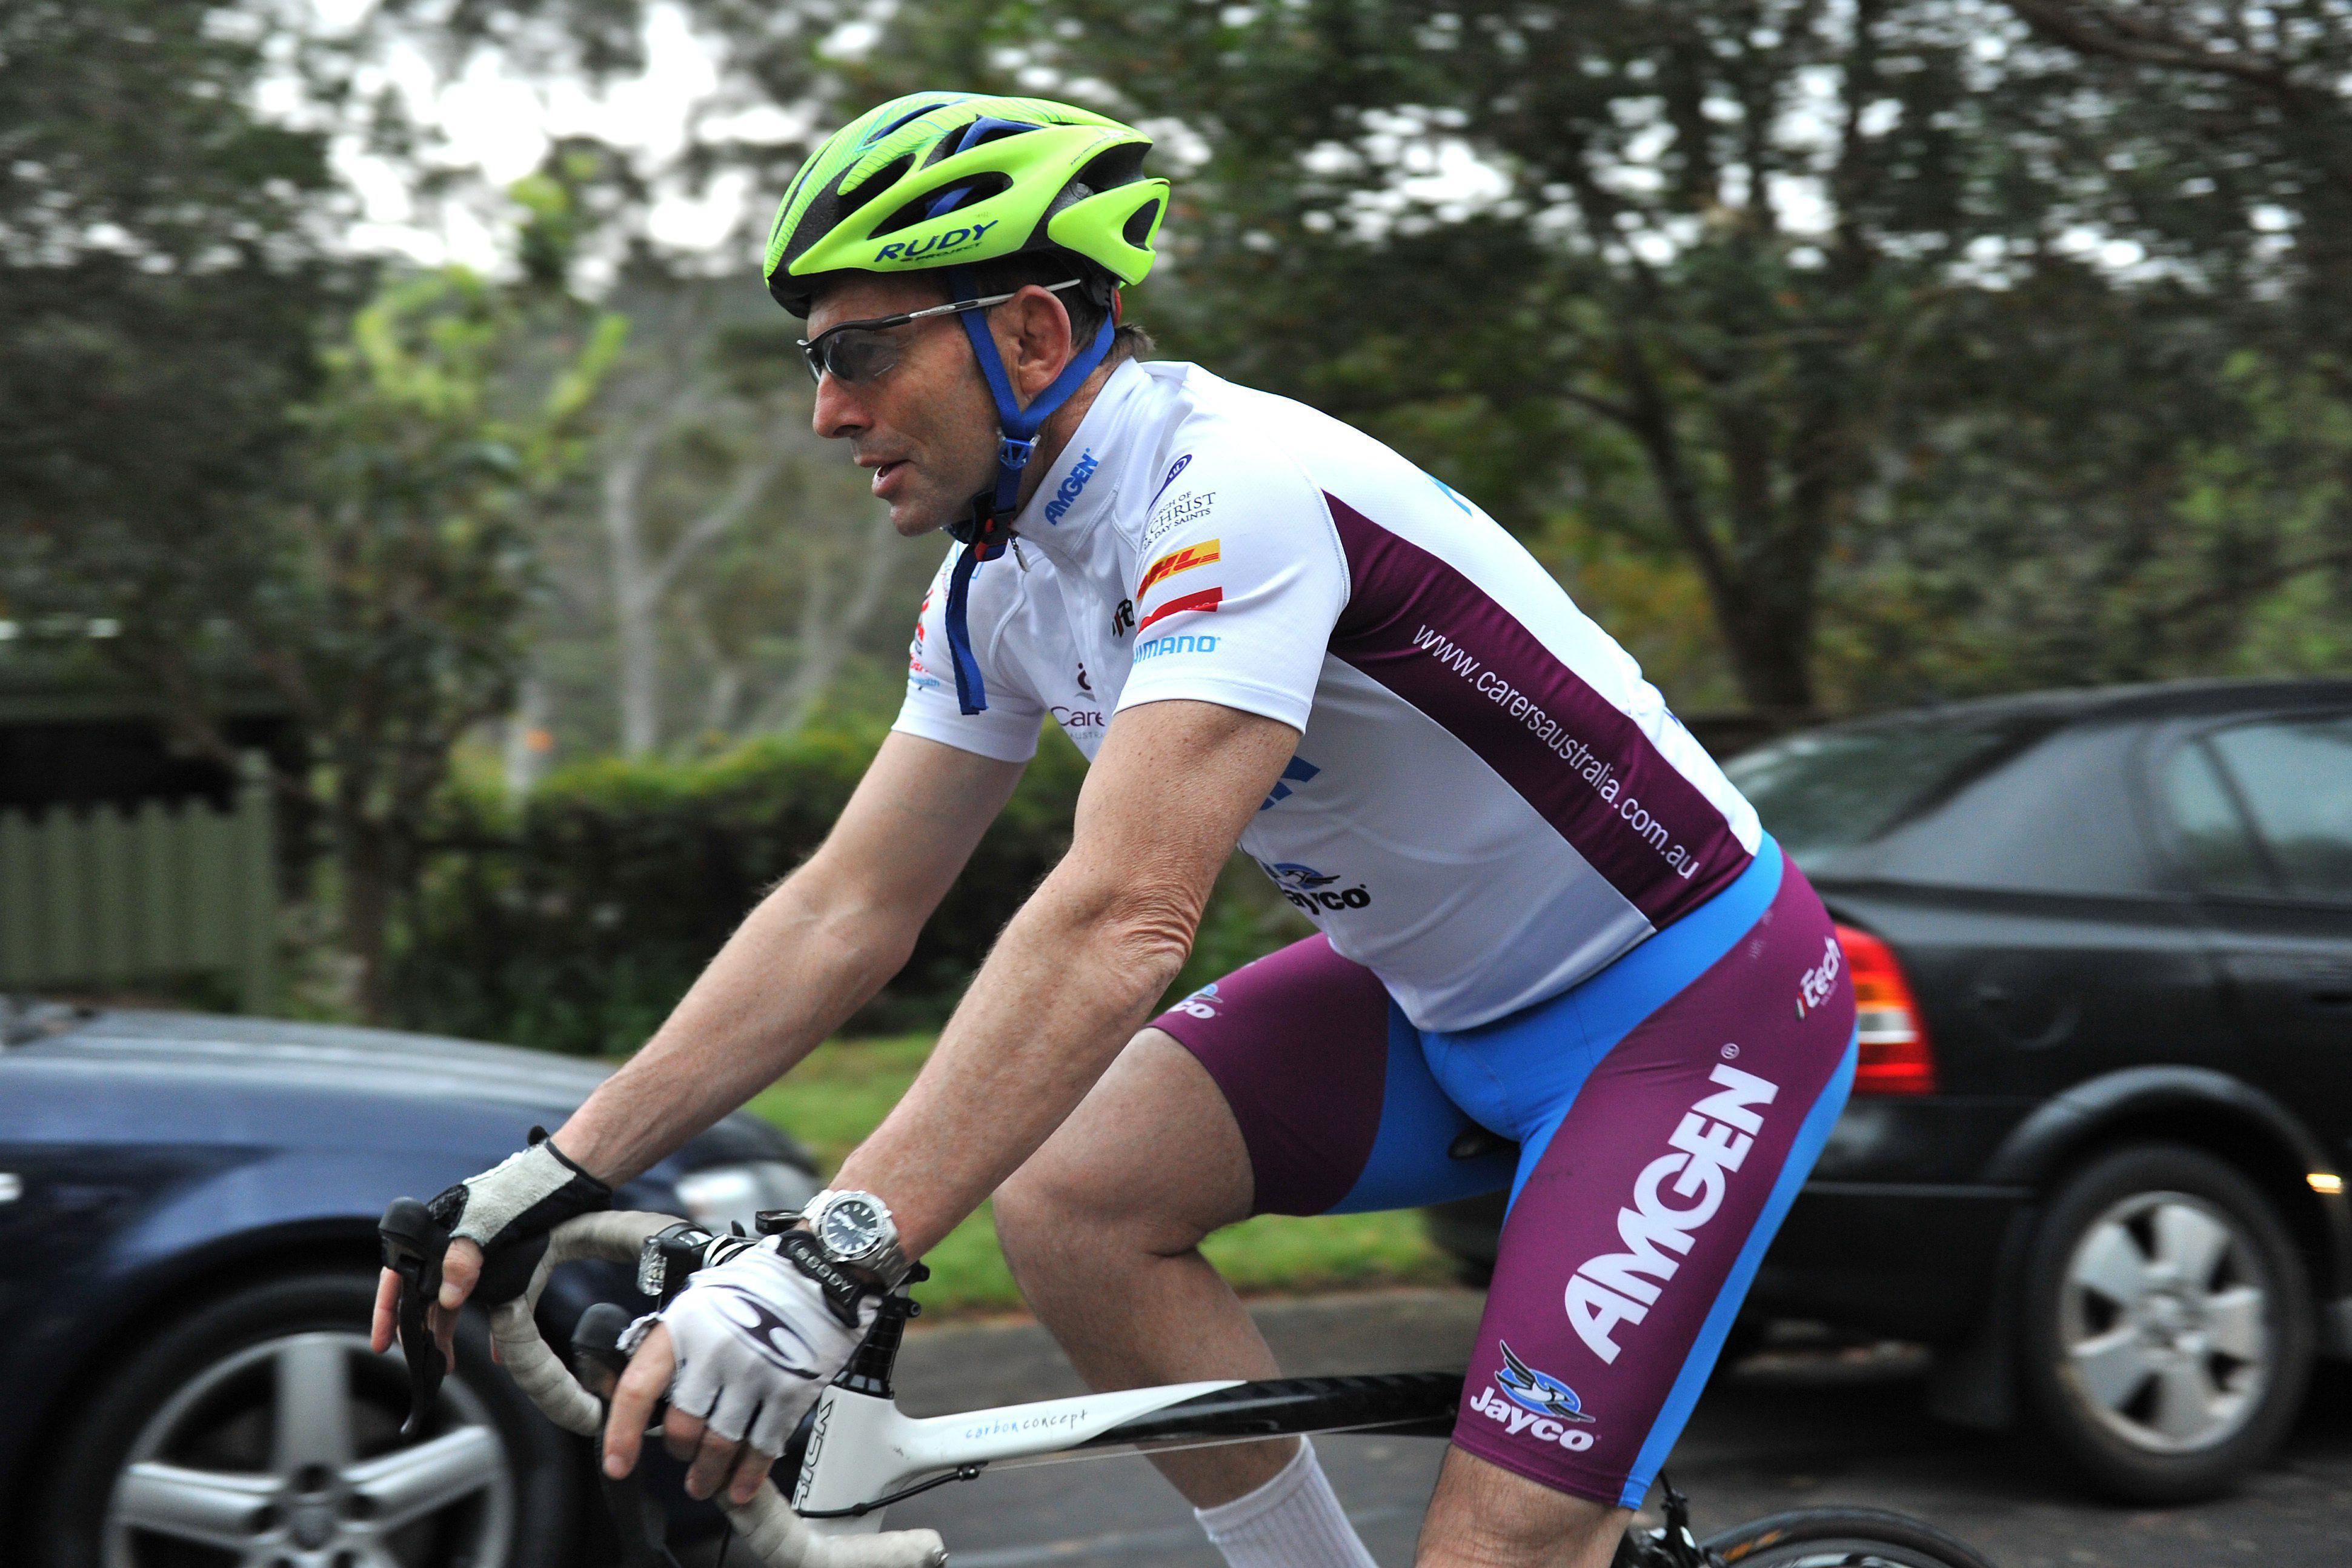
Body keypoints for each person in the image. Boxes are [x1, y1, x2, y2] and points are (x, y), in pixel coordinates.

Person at [372, 91, 1860, 1568]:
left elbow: (1121, 919)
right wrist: (553, 1173)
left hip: (1687, 1013)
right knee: (1075, 1197)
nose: (828, 409)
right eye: (815, 360)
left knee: (1504, 1547)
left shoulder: (1236, 493)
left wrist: (834, 1257)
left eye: (863, 352)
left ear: (1029, 333)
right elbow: (848, 907)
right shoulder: (1000, 583)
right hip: (1428, 1001)